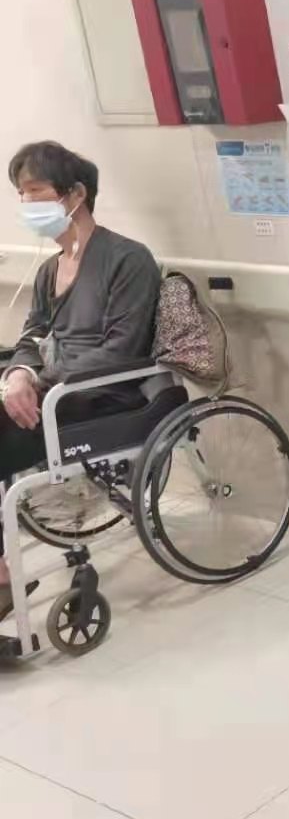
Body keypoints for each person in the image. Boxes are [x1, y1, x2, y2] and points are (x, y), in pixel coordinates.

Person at [2, 141, 161, 616]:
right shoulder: (50, 269)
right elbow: (32, 335)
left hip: (100, 394)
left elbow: (121, 350)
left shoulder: (128, 259)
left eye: (35, 190)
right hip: (52, 392)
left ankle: (2, 579)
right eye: (20, 193)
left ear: (75, 194)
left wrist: (41, 384)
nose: (26, 202)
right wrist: (20, 375)